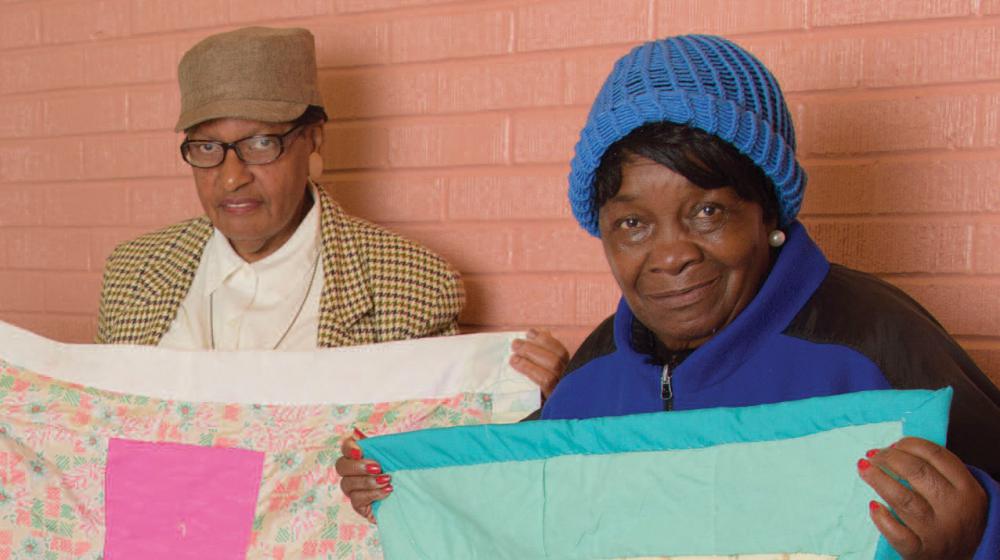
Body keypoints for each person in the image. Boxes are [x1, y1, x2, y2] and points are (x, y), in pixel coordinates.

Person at [338, 35, 1000, 559]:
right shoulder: (592, 373)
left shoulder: (875, 344)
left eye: (708, 212)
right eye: (632, 224)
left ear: (769, 213)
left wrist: (976, 538)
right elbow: (525, 504)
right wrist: (407, 487)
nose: (671, 252)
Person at [94, 27, 566, 390]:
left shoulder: (409, 285)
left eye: (261, 143)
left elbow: (428, 460)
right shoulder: (133, 273)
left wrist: (544, 395)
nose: (232, 176)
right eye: (207, 147)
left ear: (314, 138)